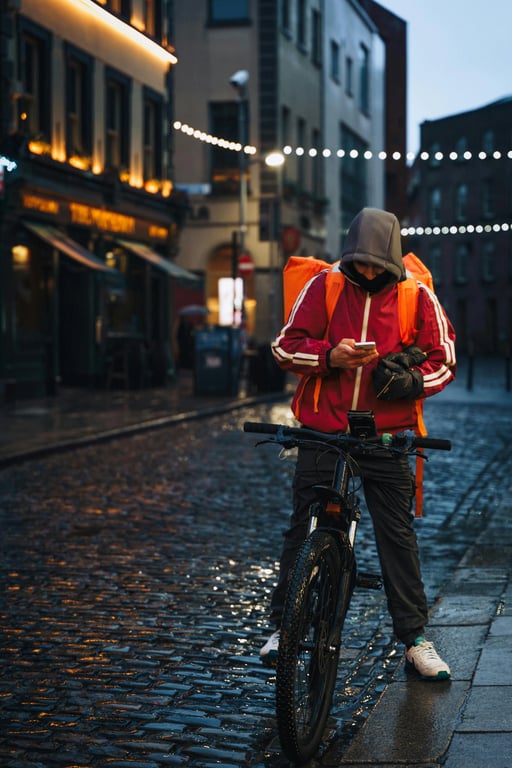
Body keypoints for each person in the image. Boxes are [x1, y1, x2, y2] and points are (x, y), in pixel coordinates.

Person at [261, 207, 456, 680]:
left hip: (385, 436)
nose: (367, 274)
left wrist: (412, 381)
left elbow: (445, 359)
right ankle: (284, 627)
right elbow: (284, 346)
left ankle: (415, 639)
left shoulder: (416, 295)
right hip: (324, 431)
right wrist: (330, 356)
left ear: (392, 261)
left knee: (397, 536)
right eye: (360, 265)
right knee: (303, 526)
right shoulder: (324, 285)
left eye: (376, 266)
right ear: (348, 256)